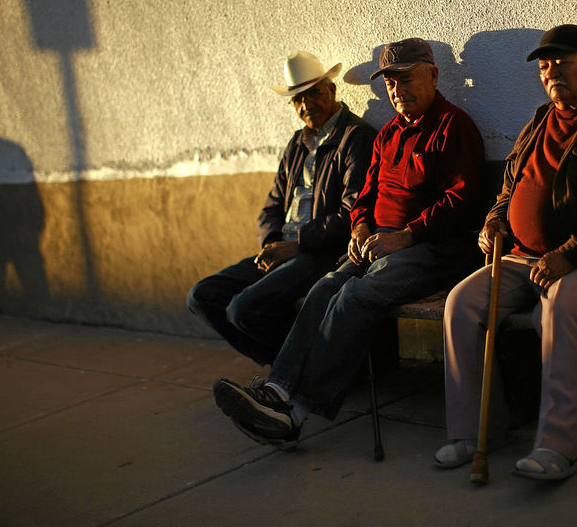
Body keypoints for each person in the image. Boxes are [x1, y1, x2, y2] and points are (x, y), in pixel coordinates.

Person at [213, 38, 486, 445]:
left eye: (406, 79)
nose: (397, 90)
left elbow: (460, 201)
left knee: (354, 296)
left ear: (432, 75)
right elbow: (365, 196)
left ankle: (297, 414)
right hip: (378, 245)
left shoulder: (453, 125)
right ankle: (277, 390)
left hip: (434, 248)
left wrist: (407, 235)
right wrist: (360, 228)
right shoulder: (388, 135)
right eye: (390, 83)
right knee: (324, 287)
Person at [437, 25, 577, 480]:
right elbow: (509, 184)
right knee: (460, 304)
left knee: (556, 311)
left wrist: (567, 255)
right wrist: (495, 220)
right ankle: (475, 432)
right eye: (544, 65)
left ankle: (558, 448)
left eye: (564, 62)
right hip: (520, 257)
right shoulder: (539, 119)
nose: (552, 72)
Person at [186, 51, 375, 366]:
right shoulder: (297, 143)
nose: (306, 105)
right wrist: (271, 243)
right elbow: (272, 205)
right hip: (286, 249)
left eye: (314, 93)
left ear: (332, 89)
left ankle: (296, 375)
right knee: (203, 296)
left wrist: (298, 245)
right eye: (297, 100)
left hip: (323, 253)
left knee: (243, 310)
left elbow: (352, 211)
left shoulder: (356, 138)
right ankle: (289, 368)